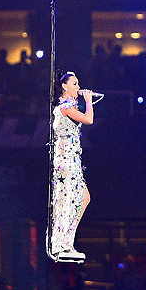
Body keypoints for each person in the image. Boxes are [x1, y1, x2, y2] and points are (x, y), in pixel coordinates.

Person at [50, 72, 94, 262]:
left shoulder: (68, 106)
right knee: (67, 201)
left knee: (83, 198)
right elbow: (89, 120)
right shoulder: (65, 106)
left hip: (72, 160)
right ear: (65, 87)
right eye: (75, 84)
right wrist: (89, 101)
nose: (78, 87)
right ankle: (61, 244)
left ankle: (67, 241)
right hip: (66, 161)